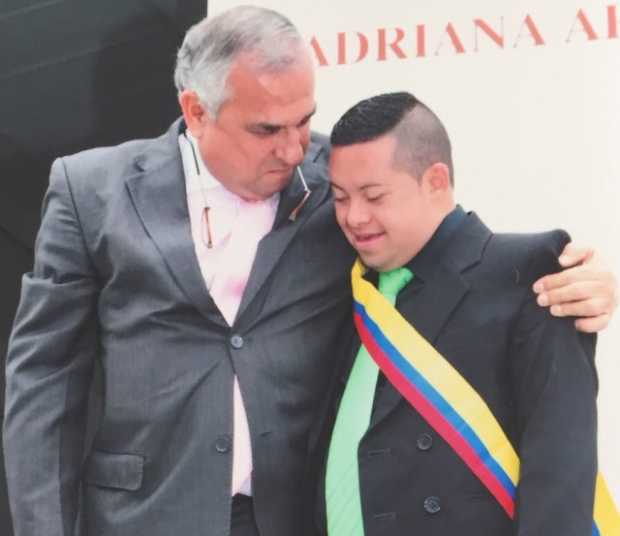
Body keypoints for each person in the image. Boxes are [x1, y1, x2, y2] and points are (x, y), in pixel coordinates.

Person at [2, 7, 616, 536]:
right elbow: (44, 381)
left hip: (296, 515)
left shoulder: (338, 179)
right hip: (143, 515)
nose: (294, 149)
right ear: (197, 111)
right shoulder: (91, 191)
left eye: (303, 120)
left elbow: (442, 240)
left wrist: (570, 277)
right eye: (267, 129)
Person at [310, 92, 607, 536]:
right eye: (339, 198)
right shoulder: (346, 282)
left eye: (374, 196)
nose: (354, 217)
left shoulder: (532, 274)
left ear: (436, 181)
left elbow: (561, 475)